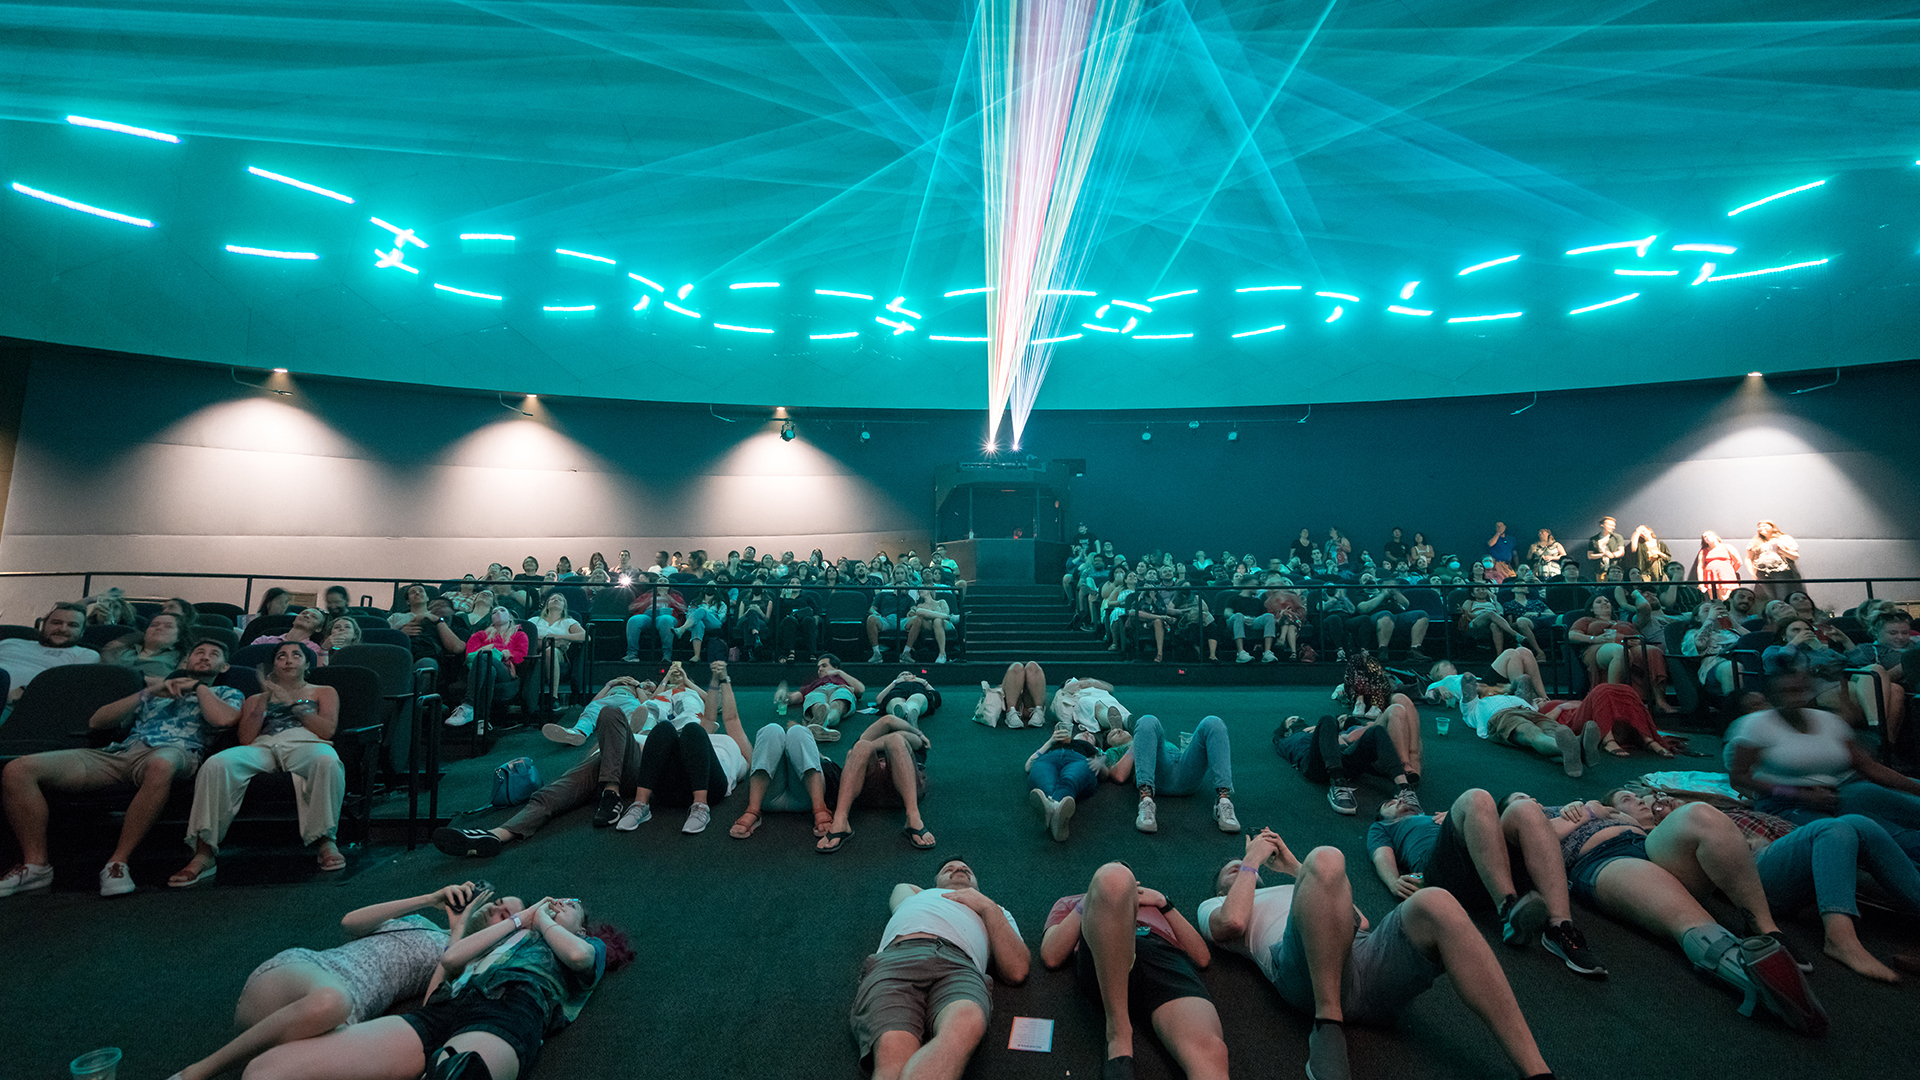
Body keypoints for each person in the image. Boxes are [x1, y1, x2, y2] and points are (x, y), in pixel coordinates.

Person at [1201, 829, 1559, 1080]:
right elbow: (1231, 923)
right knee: (1327, 856)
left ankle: (1535, 1069)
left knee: (1436, 900)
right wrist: (1249, 860)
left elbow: (1359, 920)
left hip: (1361, 957)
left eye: (1240, 865)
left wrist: (1297, 870)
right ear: (1219, 885)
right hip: (1304, 974)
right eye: (1228, 869)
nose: (1237, 868)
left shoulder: (1290, 885)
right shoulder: (1213, 904)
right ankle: (1328, 1026)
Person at [243, 897, 628, 1080]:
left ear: (582, 925)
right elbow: (450, 959)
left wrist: (544, 922)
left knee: (459, 1076)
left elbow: (576, 955)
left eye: (571, 903)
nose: (559, 901)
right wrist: (518, 922)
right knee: (267, 1070)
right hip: (443, 1010)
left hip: (509, 1012)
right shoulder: (510, 935)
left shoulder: (581, 947)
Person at [1536, 793, 1827, 1032]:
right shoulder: (1564, 810)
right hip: (1603, 859)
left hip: (1651, 846)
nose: (1638, 799)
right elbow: (1531, 835)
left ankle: (1764, 927)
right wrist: (1586, 811)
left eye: (1640, 797)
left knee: (1702, 815)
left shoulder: (1651, 824)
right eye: (1628, 797)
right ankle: (1757, 981)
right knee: (1686, 916)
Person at [168, 883, 521, 1080]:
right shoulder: (422, 923)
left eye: (508, 916)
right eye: (500, 902)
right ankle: (196, 1073)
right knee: (332, 1001)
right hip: (301, 977)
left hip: (328, 1019)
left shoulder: (462, 957)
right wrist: (430, 899)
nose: (498, 908)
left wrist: (458, 931)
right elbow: (350, 924)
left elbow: (434, 998)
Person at [0, 640, 242, 898]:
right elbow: (98, 721)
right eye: (199, 652)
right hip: (122, 753)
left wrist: (200, 687)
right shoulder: (157, 692)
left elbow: (224, 720)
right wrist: (147, 692)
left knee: (161, 763)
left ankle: (118, 862)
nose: (205, 657)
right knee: (18, 769)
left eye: (214, 654)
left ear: (224, 665)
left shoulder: (226, 692)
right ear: (185, 661)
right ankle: (36, 865)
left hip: (178, 753)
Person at [1607, 789, 1920, 983]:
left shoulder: (1710, 809)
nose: (1648, 800)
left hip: (1788, 848)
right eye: (1631, 799)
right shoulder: (1650, 839)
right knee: (1833, 828)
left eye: (1648, 795)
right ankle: (1841, 938)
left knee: (1860, 823)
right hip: (1758, 869)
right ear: (1617, 813)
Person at [1369, 789, 1604, 975]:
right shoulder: (1384, 827)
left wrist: (1453, 814)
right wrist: (1393, 881)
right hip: (1444, 875)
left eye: (1400, 799)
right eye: (1390, 804)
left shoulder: (1437, 816)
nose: (1398, 801)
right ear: (1384, 817)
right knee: (1476, 798)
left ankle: (1560, 927)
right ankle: (1509, 908)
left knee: (1525, 808)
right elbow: (1381, 854)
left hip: (1490, 870)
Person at [171, 641, 346, 884]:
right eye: (281, 656)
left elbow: (326, 731)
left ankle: (326, 841)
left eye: (296, 655)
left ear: (307, 664)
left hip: (304, 743)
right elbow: (246, 738)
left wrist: (295, 706)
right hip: (263, 745)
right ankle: (204, 853)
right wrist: (266, 697)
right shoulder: (256, 697)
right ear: (273, 665)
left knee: (327, 761)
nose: (288, 660)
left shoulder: (323, 691)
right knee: (216, 764)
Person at [1041, 863, 1227, 1080]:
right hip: (1106, 959)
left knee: (1210, 1054)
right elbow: (1051, 956)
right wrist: (1089, 901)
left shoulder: (1153, 903)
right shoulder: (1073, 903)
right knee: (1113, 879)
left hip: (1160, 954)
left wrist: (1163, 903)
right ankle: (1118, 1033)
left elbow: (1202, 957)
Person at [849, 858, 1028, 1080]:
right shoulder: (916, 895)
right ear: (934, 882)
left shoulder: (996, 910)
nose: (959, 870)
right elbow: (900, 887)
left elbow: (1017, 970)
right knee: (891, 1055)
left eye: (966, 870)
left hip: (960, 965)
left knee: (966, 1023)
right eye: (948, 869)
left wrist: (986, 906)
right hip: (899, 957)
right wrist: (938, 894)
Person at [1726, 670, 1920, 865]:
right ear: (1772, 696)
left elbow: (1869, 767)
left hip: (1840, 791)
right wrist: (1797, 794)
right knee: (1885, 835)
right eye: (1786, 692)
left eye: (1799, 690)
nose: (1793, 698)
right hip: (1784, 802)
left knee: (1905, 806)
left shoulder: (1828, 721)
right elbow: (1740, 778)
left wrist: (1915, 788)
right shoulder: (1754, 726)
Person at [610, 662, 752, 835]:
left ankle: (701, 806)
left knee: (692, 730)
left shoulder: (713, 738)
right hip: (667, 790)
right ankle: (640, 804)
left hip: (710, 787)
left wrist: (721, 680)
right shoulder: (707, 737)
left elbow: (731, 719)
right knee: (663, 729)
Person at [816, 710, 936, 852]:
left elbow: (908, 739)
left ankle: (913, 817)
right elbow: (888, 720)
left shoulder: (913, 742)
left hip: (904, 787)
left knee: (895, 741)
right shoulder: (867, 744)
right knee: (861, 747)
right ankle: (841, 820)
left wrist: (918, 735)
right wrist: (917, 730)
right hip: (868, 788)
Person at [1273, 712, 1419, 817]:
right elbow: (1278, 740)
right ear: (1286, 731)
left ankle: (1404, 786)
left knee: (1376, 731)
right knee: (1327, 718)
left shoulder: (1322, 729)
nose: (1298, 720)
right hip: (1315, 765)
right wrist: (1316, 729)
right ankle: (1338, 784)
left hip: (1342, 759)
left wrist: (1326, 730)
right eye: (1292, 721)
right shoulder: (1287, 740)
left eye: (1300, 718)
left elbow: (1344, 739)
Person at [1121, 714, 1238, 835]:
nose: (1119, 732)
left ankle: (1224, 801)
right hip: (1158, 778)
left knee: (1213, 722)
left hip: (1183, 771)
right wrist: (1133, 747)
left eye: (1120, 730)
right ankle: (1145, 799)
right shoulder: (1120, 749)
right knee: (1147, 721)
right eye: (1113, 733)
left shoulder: (1154, 737)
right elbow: (1119, 775)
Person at [1569, 593, 1675, 714]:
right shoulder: (1586, 620)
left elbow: (1642, 618)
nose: (1604, 603)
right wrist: (1594, 639)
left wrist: (1634, 639)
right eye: (1599, 602)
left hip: (1628, 645)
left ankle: (1659, 701)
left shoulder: (1623, 622)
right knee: (1618, 651)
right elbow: (1572, 635)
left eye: (1607, 601)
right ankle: (1612, 701)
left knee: (1653, 651)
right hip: (1598, 647)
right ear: (1591, 609)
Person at [1024, 719, 1118, 842]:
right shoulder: (1055, 743)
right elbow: (1028, 766)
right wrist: (1051, 740)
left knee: (1070, 780)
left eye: (1091, 736)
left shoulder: (1091, 750)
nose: (1088, 733)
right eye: (1084, 731)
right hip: (1049, 759)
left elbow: (1104, 775)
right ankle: (1057, 815)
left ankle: (1051, 807)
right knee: (1045, 782)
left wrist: (1100, 764)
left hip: (1079, 759)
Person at [0, 601, 99, 701]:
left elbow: (68, 687)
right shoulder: (10, 642)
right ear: (44, 625)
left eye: (72, 625)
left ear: (82, 632)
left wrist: (25, 691)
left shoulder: (86, 654)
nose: (63, 629)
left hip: (20, 704)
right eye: (56, 623)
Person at [774, 654, 865, 743]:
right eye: (819, 667)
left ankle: (822, 723)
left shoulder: (844, 681)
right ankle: (821, 724)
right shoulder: (813, 684)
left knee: (836, 704)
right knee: (819, 704)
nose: (820, 669)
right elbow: (793, 698)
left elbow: (861, 690)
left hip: (840, 688)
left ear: (835, 667)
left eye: (824, 666)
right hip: (817, 690)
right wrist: (782, 691)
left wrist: (839, 672)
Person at [529, 593, 586, 706]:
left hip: (558, 654)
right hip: (534, 651)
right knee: (543, 652)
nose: (555, 600)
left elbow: (585, 636)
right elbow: (525, 636)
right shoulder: (535, 620)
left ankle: (553, 697)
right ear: (546, 604)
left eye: (559, 599)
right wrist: (549, 641)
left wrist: (559, 637)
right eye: (552, 599)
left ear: (564, 606)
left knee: (550, 651)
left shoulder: (568, 621)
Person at [99, 611, 187, 682]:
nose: (159, 628)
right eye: (154, 625)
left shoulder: (181, 658)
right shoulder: (121, 651)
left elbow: (177, 684)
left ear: (179, 637)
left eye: (168, 626)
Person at [1748, 520, 1803, 600]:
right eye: (1759, 526)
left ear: (1772, 527)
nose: (1761, 528)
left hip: (1780, 572)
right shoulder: (1755, 541)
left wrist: (1781, 550)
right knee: (1769, 597)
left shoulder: (1784, 538)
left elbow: (1795, 556)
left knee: (1782, 595)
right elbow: (1748, 557)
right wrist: (1751, 572)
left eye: (1764, 525)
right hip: (1762, 573)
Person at [901, 587, 954, 663]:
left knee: (937, 621)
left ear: (929, 590)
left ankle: (942, 654)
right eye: (919, 590)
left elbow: (945, 613)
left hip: (944, 624)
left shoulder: (941, 602)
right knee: (920, 612)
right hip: (928, 626)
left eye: (922, 589)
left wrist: (930, 615)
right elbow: (911, 616)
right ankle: (952, 618)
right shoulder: (920, 606)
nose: (920, 590)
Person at [251, 607, 326, 661]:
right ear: (294, 620)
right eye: (304, 613)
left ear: (318, 629)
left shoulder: (314, 650)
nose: (307, 616)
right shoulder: (263, 640)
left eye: (314, 617)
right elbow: (248, 658)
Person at [875, 670, 941, 725]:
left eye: (909, 674)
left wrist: (923, 682)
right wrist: (895, 682)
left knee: (917, 698)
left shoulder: (919, 683)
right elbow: (879, 700)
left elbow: (937, 697)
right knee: (895, 700)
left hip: (917, 690)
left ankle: (911, 712)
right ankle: (900, 712)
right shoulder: (896, 684)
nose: (906, 675)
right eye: (903, 674)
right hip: (897, 692)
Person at [1695, 530, 1744, 600]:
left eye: (1709, 535)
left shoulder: (1727, 547)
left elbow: (1738, 562)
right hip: (1710, 577)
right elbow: (1700, 567)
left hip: (1725, 577)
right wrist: (1701, 582)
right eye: (1704, 537)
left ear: (1716, 537)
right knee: (1714, 599)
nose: (1707, 537)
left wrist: (1729, 572)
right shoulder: (1703, 551)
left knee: (1726, 598)